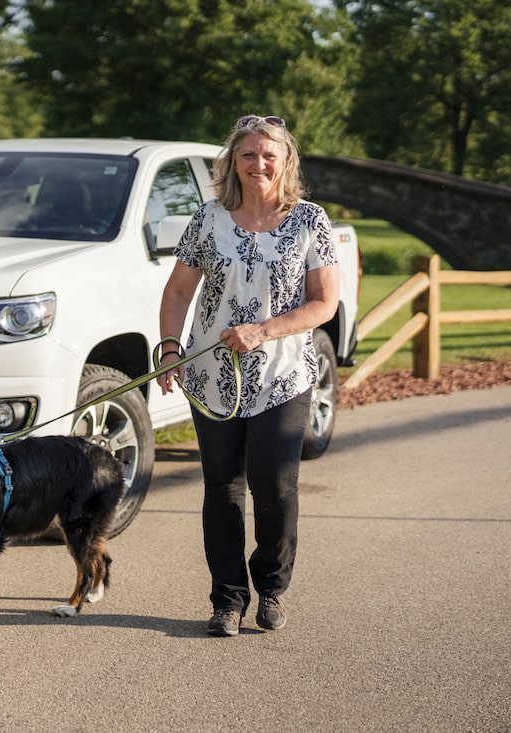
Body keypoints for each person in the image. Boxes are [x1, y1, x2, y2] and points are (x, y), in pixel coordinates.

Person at [157, 114, 339, 637]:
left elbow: (324, 304)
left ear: (285, 163)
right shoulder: (207, 219)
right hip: (213, 376)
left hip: (284, 375)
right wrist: (171, 347)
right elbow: (176, 293)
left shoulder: (310, 220)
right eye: (248, 154)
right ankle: (228, 600)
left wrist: (264, 330)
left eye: (268, 155)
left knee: (276, 486)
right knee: (223, 488)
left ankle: (273, 587)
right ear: (232, 162)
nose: (258, 163)